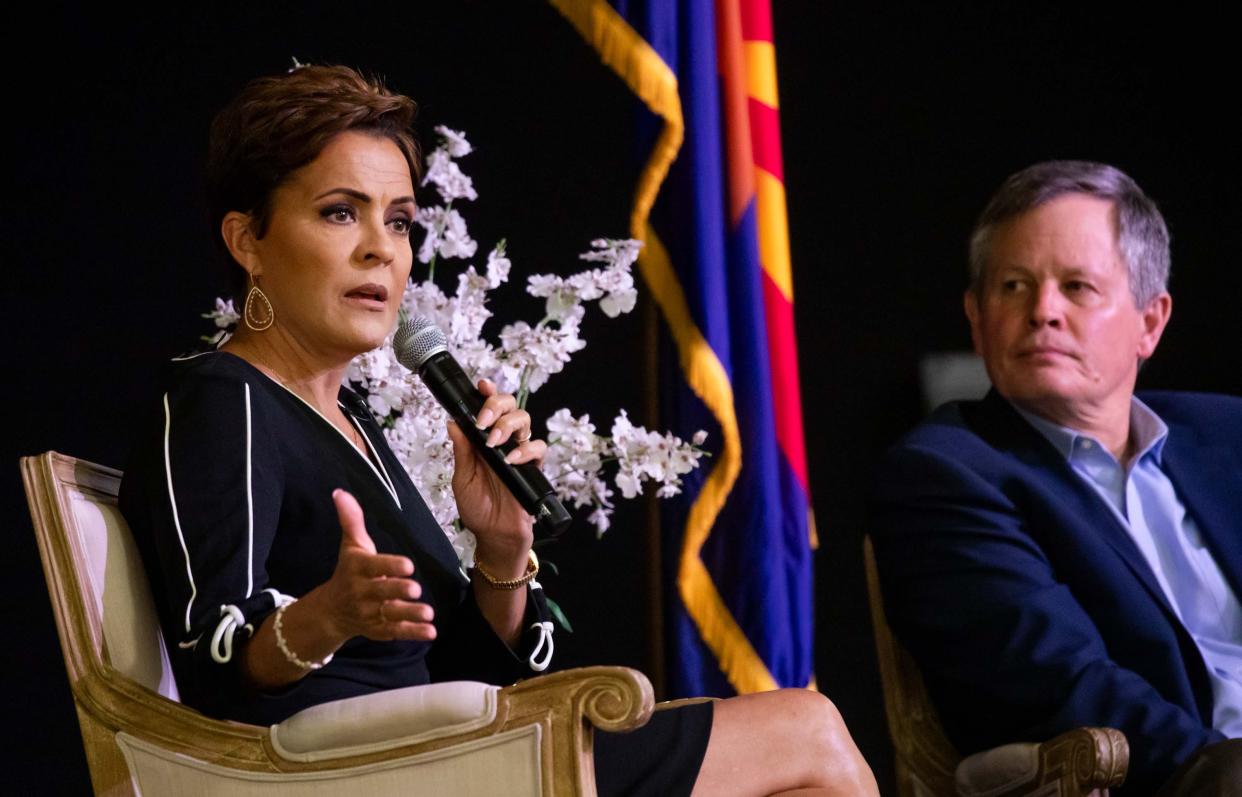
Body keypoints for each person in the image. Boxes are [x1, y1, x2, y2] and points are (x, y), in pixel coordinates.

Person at [119, 64, 877, 797]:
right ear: (248, 240)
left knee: (808, 761)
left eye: (401, 220)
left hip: (439, 750)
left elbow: (471, 667)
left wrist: (503, 546)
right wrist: (326, 616)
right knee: (808, 729)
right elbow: (210, 657)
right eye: (340, 212)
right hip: (352, 772)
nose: (382, 247)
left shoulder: (346, 417)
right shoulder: (224, 398)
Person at [871, 160, 1242, 795]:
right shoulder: (944, 473)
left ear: (1149, 322)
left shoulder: (1230, 434)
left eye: (1077, 287)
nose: (1042, 311)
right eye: (1013, 286)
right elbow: (1057, 682)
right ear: (976, 317)